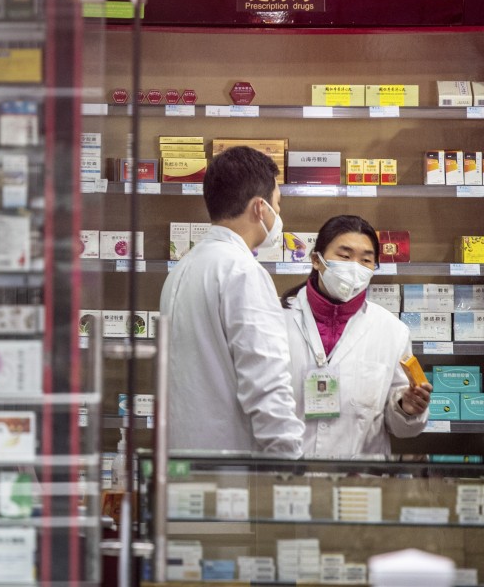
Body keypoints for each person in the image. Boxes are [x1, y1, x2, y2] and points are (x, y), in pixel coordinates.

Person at [160, 146, 305, 457]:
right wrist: (289, 464)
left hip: (183, 460)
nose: (279, 216)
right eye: (277, 206)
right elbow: (266, 383)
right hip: (232, 470)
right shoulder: (243, 272)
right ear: (259, 208)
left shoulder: (184, 268)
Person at [281, 215, 430, 458]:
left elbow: (400, 427)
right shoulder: (276, 320)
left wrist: (406, 408)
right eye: (345, 256)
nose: (355, 267)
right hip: (287, 475)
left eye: (366, 260)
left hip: (357, 481)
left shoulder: (391, 331)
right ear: (316, 260)